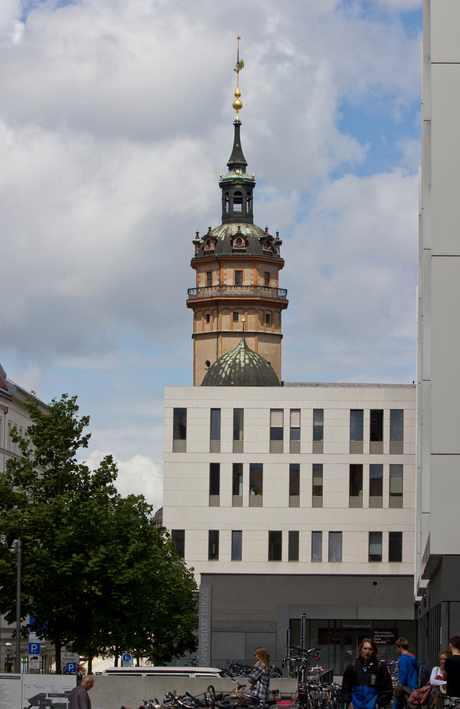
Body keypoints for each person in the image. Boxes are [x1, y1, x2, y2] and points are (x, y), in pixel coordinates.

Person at [341, 638, 393, 709]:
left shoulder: (379, 667)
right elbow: (345, 688)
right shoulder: (352, 667)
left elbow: (387, 689)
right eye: (365, 649)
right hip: (355, 706)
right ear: (361, 650)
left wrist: (378, 704)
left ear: (374, 651)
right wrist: (350, 703)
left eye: (370, 649)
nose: (367, 652)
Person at [393, 637, 418, 709]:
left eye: (396, 648)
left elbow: (404, 673)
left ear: (400, 647)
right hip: (413, 687)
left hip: (405, 688)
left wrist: (400, 686)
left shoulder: (403, 658)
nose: (396, 650)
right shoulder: (412, 657)